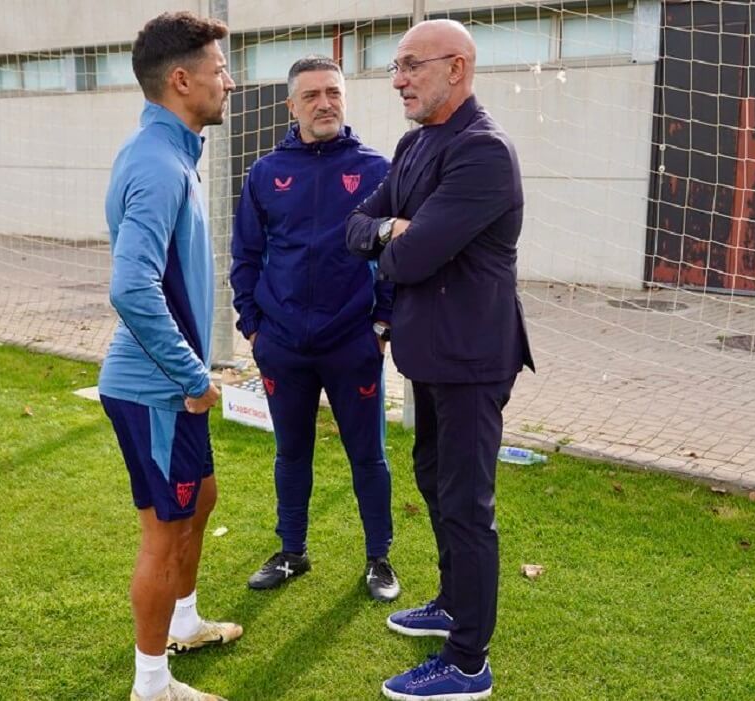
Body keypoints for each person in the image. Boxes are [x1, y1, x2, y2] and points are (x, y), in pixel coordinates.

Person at [345, 19, 535, 701]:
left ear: (457, 68)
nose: (397, 79)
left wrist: (396, 235)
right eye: (396, 66)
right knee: (433, 477)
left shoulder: (483, 152)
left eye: (411, 66)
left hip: (474, 357)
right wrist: (394, 229)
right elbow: (356, 226)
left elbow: (411, 254)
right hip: (428, 355)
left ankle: (467, 661)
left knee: (465, 502)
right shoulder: (414, 143)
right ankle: (454, 602)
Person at [98, 12, 242, 701]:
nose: (229, 82)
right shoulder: (158, 164)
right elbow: (130, 285)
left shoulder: (169, 152)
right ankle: (151, 684)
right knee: (164, 529)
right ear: (181, 81)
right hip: (157, 387)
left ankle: (184, 620)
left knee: (201, 496)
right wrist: (191, 375)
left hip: (167, 383)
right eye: (219, 71)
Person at [230, 56, 400, 602]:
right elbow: (246, 255)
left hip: (353, 342)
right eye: (311, 95)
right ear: (291, 106)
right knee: (291, 452)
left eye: (333, 92)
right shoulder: (264, 173)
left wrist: (382, 322)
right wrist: (253, 327)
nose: (324, 103)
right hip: (282, 344)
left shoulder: (376, 169)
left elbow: (399, 250)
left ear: (345, 99)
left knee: (368, 454)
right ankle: (291, 551)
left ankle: (379, 559)